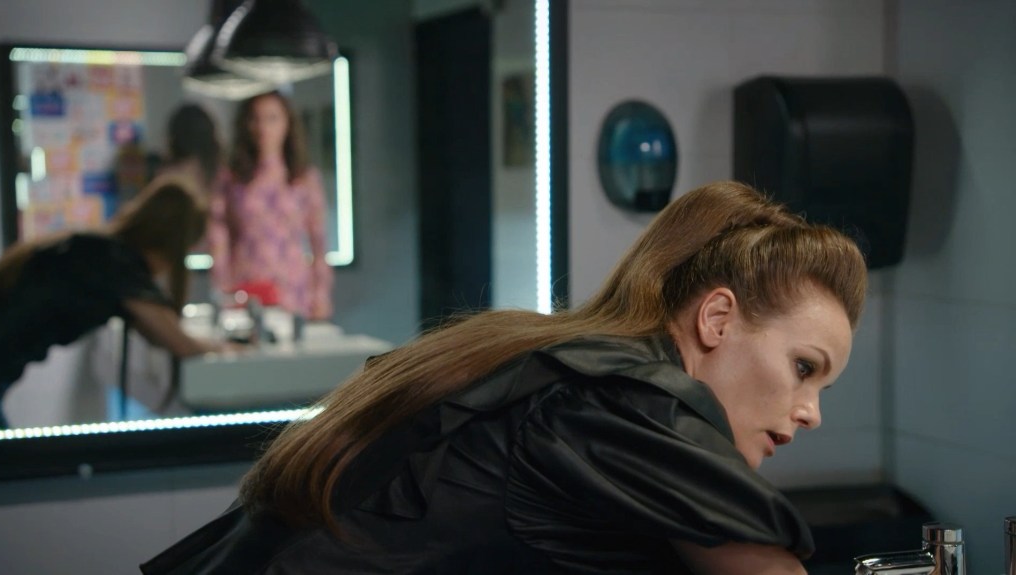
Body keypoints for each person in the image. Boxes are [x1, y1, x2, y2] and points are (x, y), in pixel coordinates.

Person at [141, 180, 868, 574]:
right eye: (803, 368)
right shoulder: (634, 404)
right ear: (717, 319)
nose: (811, 411)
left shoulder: (568, 365)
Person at [0, 178, 231, 428]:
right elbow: (180, 343)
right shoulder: (116, 265)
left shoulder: (100, 251)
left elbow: (156, 333)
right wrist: (228, 350)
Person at [207, 90, 333, 321]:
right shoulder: (232, 178)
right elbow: (218, 237)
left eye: (272, 118)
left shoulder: (303, 177)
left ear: (287, 124)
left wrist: (321, 293)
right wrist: (221, 288)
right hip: (244, 286)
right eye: (255, 119)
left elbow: (318, 241)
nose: (263, 127)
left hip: (292, 289)